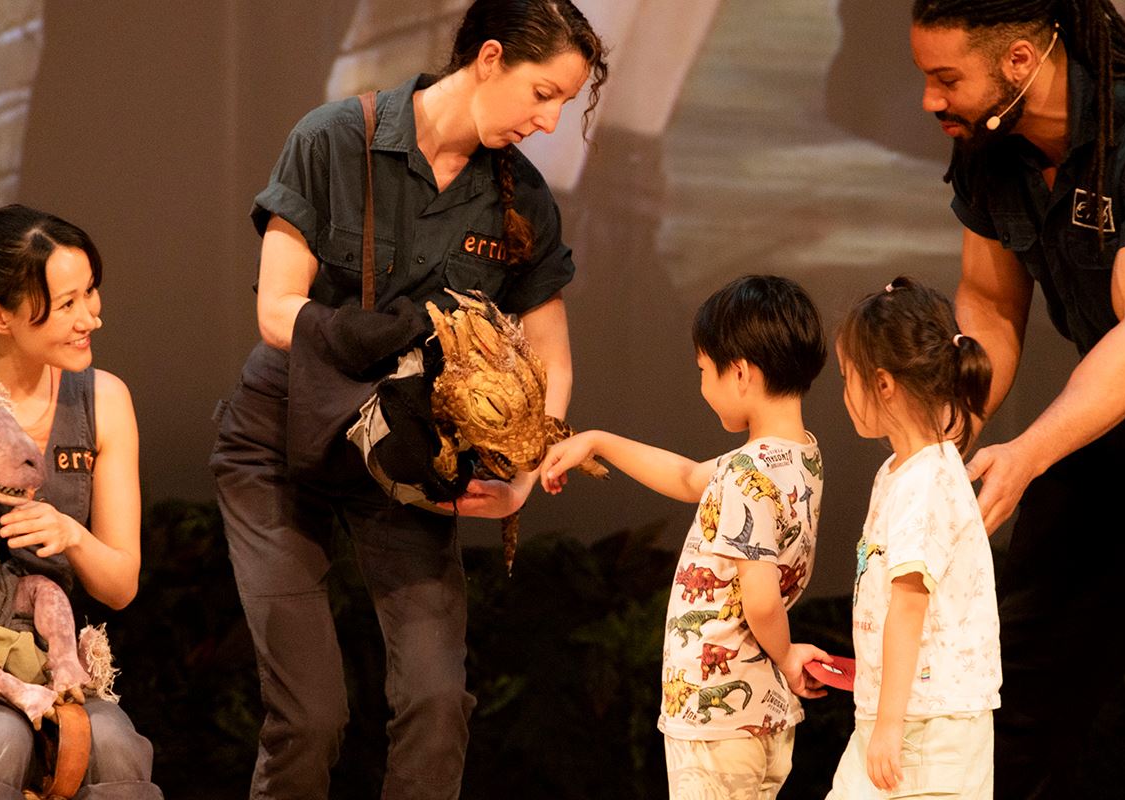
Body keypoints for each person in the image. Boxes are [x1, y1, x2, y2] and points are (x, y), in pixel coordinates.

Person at [208, 2, 607, 798]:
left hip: (405, 456)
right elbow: (277, 312)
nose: (550, 122)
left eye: (564, 102)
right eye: (543, 94)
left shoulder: (522, 199)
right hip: (282, 440)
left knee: (435, 703)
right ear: (488, 58)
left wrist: (524, 471)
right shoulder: (334, 138)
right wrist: (407, 330)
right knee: (310, 718)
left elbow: (551, 361)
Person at [909, 1, 1125, 796]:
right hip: (1119, 407)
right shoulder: (989, 141)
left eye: (945, 78)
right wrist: (947, 432)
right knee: (1022, 670)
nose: (929, 100)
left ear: (1019, 61)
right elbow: (991, 302)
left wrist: (1027, 454)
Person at [540, 274, 830, 799]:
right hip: (759, 721)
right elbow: (689, 478)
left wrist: (788, 656)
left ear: (739, 372)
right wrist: (597, 442)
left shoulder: (747, 472)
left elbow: (762, 601)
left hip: (717, 724)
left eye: (703, 371)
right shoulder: (799, 458)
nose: (701, 386)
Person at [0, 204, 160, 799]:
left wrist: (72, 534)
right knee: (0, 742)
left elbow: (120, 586)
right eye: (66, 305)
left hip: (45, 653)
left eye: (91, 293)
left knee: (111, 744)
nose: (91, 318)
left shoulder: (102, 399)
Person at [824, 277, 1001, 800]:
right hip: (903, 716)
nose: (844, 394)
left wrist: (889, 723)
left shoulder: (924, 482)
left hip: (926, 727)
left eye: (848, 378)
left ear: (883, 384)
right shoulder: (902, 472)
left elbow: (909, 605)